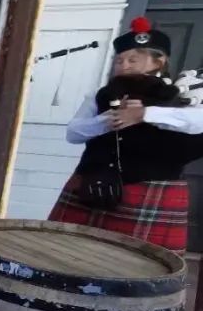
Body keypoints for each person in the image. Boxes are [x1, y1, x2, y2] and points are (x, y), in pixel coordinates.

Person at [49, 16, 203, 254]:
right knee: (65, 256)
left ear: (159, 61)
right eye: (119, 60)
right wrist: (108, 120)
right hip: (90, 186)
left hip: (149, 192)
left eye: (133, 59)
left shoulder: (180, 97)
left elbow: (198, 123)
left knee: (140, 270)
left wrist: (145, 114)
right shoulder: (100, 95)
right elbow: (74, 133)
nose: (124, 65)